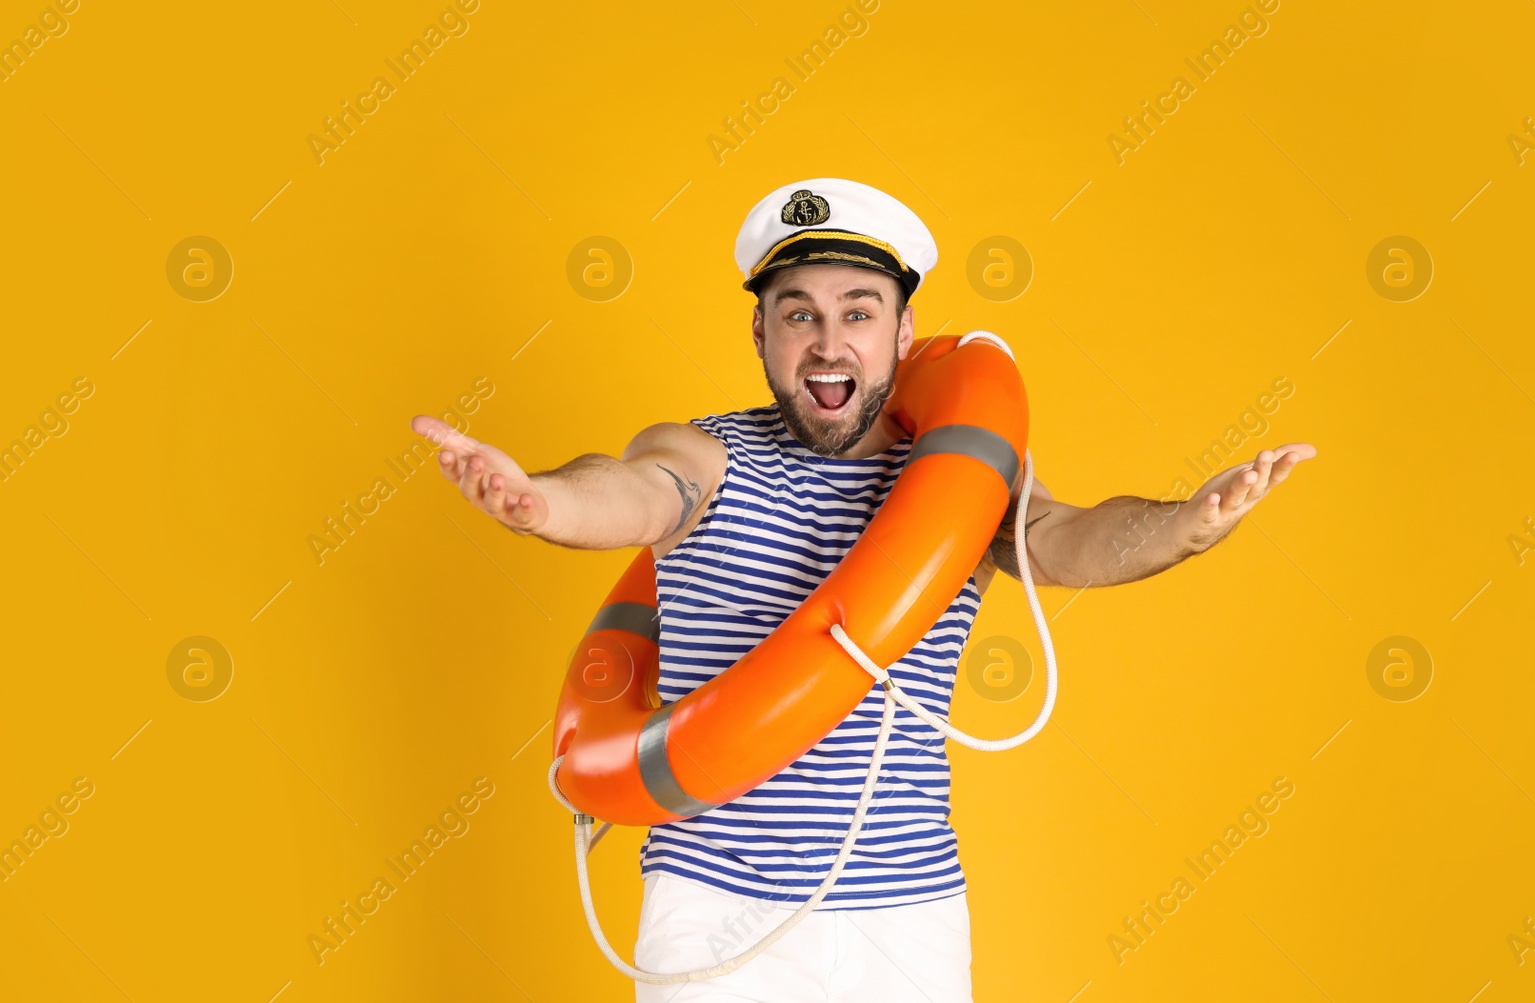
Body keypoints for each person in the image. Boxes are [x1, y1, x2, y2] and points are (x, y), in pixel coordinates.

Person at [411, 177, 1316, 1001]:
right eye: (797, 314)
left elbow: (1070, 539)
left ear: (904, 334)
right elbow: (627, 487)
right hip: (712, 905)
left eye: (859, 310)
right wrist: (537, 500)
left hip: (905, 918)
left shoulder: (958, 485)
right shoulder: (705, 456)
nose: (828, 341)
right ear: (760, 332)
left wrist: (1189, 522)